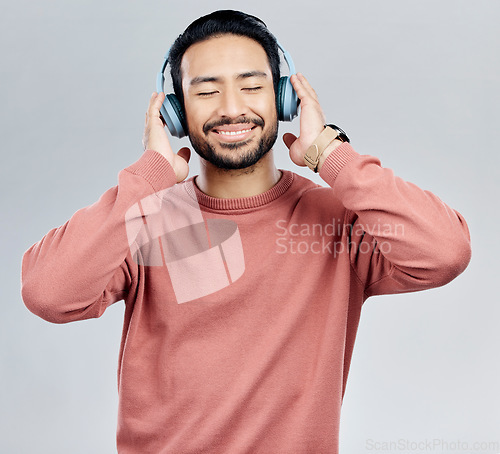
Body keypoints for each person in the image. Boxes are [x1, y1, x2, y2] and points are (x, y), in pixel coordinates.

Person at [21, 9, 471, 454]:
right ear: (174, 111)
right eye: (206, 91)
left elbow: (445, 251)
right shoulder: (141, 218)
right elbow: (48, 293)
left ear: (284, 98)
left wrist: (333, 155)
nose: (232, 108)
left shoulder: (337, 221)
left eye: (253, 86)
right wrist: (149, 176)